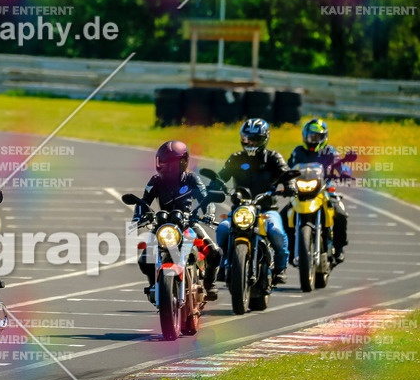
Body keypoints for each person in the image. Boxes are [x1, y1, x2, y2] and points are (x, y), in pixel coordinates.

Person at [134, 140, 222, 302]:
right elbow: (144, 202)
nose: (164, 166)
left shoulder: (191, 179)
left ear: (182, 162)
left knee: (214, 251)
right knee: (145, 259)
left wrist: (208, 213)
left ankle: (210, 283)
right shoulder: (155, 180)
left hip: (188, 222)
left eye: (168, 163)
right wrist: (139, 216)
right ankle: (154, 284)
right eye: (162, 162)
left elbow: (205, 198)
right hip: (163, 225)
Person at [215, 118, 292, 285]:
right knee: (223, 228)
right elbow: (222, 175)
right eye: (246, 139)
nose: (249, 142)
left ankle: (280, 267)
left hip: (266, 209)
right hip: (240, 209)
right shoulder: (236, 158)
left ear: (264, 139)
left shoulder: (273, 157)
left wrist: (289, 185)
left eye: (254, 139)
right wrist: (213, 186)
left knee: (277, 231)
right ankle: (221, 265)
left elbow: (285, 172)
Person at [286, 118, 350, 263]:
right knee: (283, 217)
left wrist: (344, 172)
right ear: (305, 136)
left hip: (324, 190)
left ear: (324, 137)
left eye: (317, 136)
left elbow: (340, 164)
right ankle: (288, 250)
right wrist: (282, 176)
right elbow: (288, 167)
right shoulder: (298, 151)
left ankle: (339, 248)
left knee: (341, 214)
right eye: (311, 136)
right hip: (300, 191)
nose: (314, 139)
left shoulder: (330, 151)